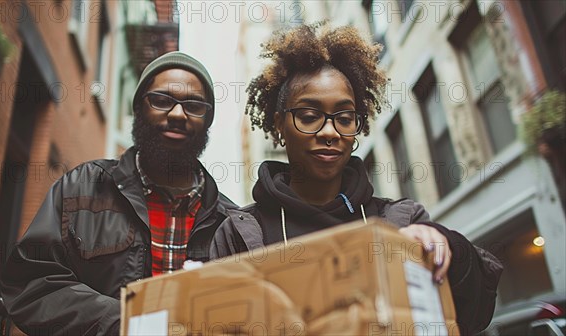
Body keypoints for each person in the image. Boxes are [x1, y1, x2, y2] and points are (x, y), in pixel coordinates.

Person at [210, 23, 502, 335]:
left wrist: (447, 245)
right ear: (279, 126)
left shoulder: (401, 221)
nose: (329, 132)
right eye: (309, 117)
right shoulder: (238, 235)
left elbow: (471, 316)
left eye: (345, 118)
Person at [0, 51, 237, 335]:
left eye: (194, 105)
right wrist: (126, 322)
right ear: (139, 109)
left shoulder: (232, 223)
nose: (177, 114)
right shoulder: (82, 186)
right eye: (161, 101)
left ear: (207, 119)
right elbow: (31, 284)